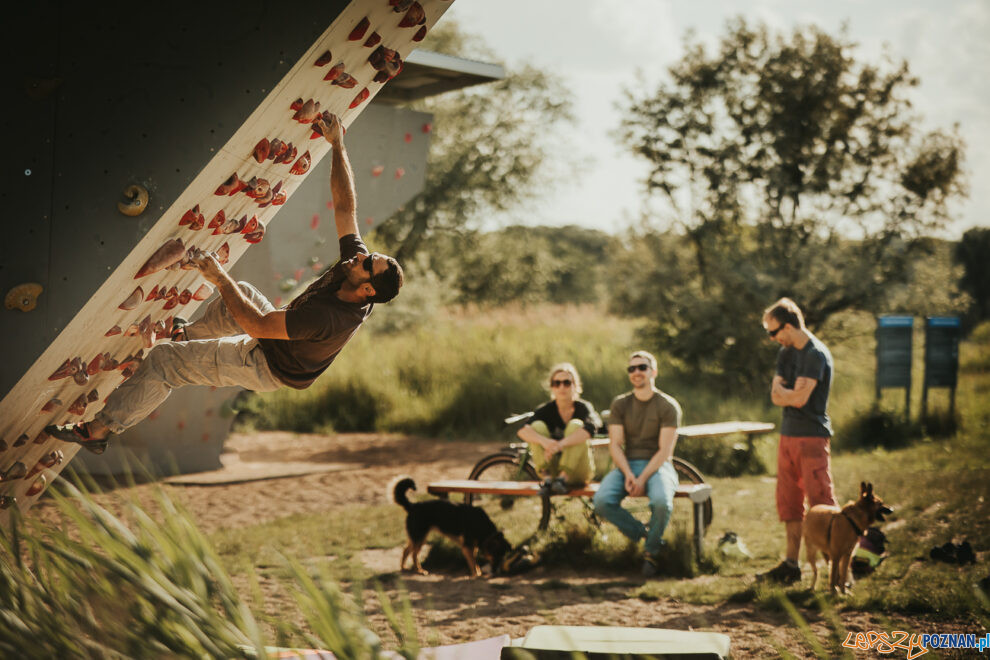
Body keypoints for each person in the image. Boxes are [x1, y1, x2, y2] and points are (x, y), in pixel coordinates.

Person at [46, 114, 403, 453]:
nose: (362, 255)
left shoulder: (329, 318)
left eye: (369, 262)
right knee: (243, 294)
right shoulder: (353, 268)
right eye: (369, 255)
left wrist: (218, 277)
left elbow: (258, 326)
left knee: (164, 362)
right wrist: (337, 145)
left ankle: (97, 432)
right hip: (280, 337)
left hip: (269, 365)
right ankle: (189, 335)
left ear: (367, 289)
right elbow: (345, 209)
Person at [757, 297, 836, 585]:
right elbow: (775, 396)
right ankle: (791, 565)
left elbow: (799, 399)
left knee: (821, 503)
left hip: (812, 438)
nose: (772, 338)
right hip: (787, 436)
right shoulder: (785, 353)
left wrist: (786, 395)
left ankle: (837, 570)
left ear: (788, 327)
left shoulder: (815, 354)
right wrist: (788, 396)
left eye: (773, 332)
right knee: (789, 503)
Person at [593, 350, 682, 577]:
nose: (636, 372)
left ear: (654, 371)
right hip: (626, 465)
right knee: (602, 501)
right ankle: (647, 535)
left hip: (658, 466)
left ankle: (651, 554)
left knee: (662, 502)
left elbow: (664, 451)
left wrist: (642, 478)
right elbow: (615, 445)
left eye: (642, 367)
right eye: (631, 369)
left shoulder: (668, 406)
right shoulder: (620, 404)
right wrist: (629, 474)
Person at [516, 363, 600, 495]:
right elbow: (522, 430)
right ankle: (547, 480)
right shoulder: (545, 410)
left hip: (579, 471)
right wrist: (545, 442)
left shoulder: (583, 408)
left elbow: (591, 428)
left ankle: (562, 479)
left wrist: (560, 445)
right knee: (536, 426)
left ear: (575, 386)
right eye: (557, 383)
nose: (562, 387)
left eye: (567, 383)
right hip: (553, 469)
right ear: (552, 387)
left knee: (576, 426)